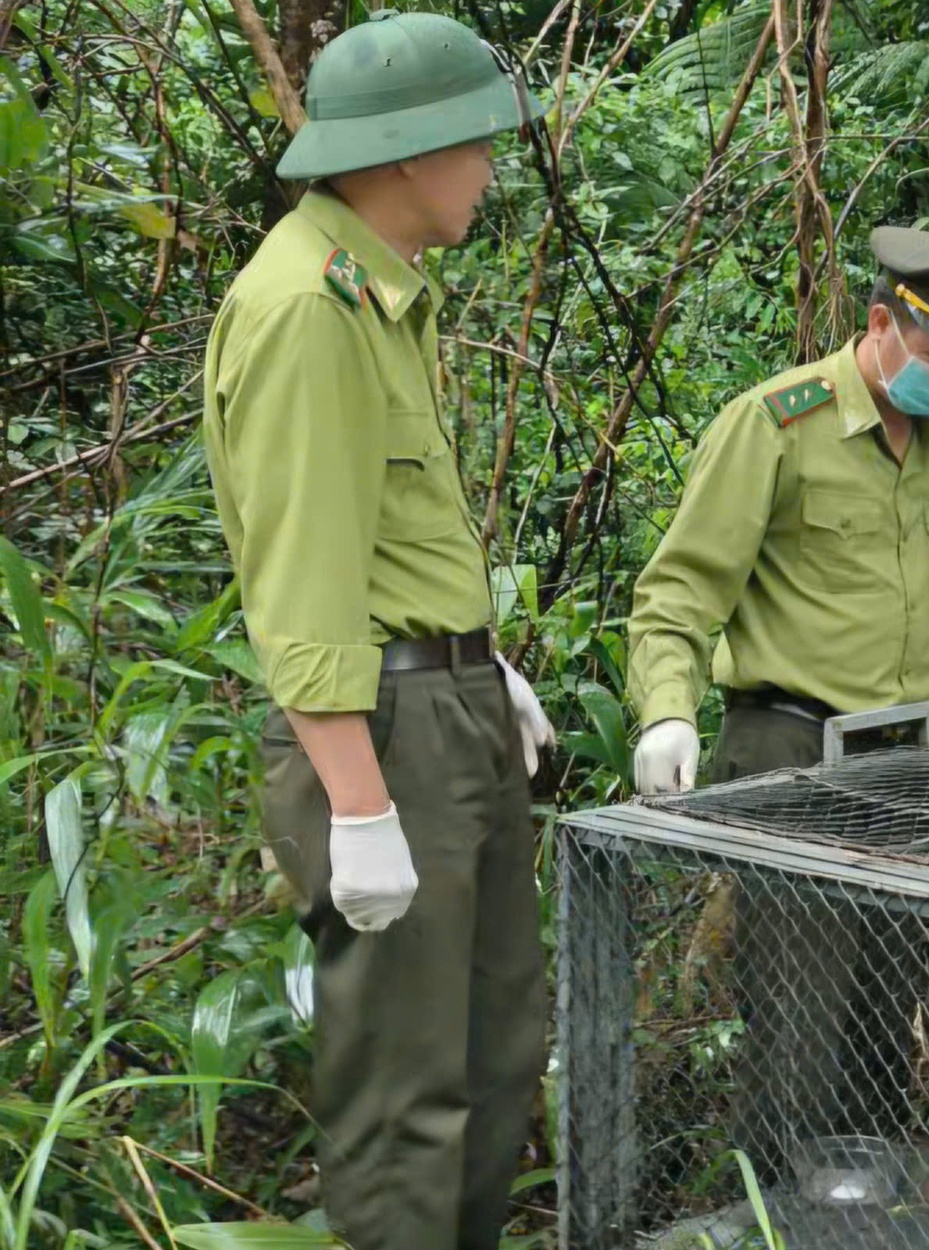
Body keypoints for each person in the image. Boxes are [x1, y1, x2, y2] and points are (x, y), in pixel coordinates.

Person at [199, 13, 552, 1249]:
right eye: (475, 147)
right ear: (410, 152)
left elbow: (389, 538)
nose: (488, 172)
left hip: (440, 712)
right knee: (406, 1090)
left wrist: (483, 663)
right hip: (381, 736)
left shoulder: (380, 296)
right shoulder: (306, 306)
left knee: (498, 1041)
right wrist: (357, 808)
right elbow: (301, 587)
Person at [626, 226, 929, 792]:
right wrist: (669, 713)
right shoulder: (775, 427)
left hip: (907, 756)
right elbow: (680, 590)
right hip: (789, 750)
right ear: (880, 324)